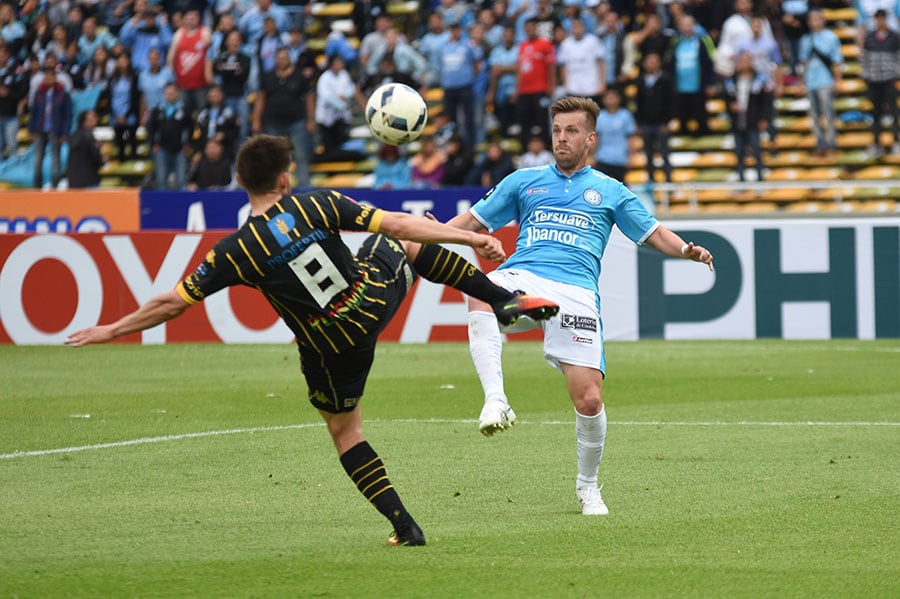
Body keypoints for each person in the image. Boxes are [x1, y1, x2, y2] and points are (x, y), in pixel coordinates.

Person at [65, 133, 559, 547]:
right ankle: (502, 301)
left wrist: (109, 329)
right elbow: (399, 223)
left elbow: (171, 304)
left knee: (346, 432)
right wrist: (469, 238)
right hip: (371, 300)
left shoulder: (234, 252)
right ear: (285, 178)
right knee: (413, 238)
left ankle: (405, 526)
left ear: (240, 181)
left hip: (328, 347)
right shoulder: (313, 203)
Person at [441, 96, 714, 516]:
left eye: (570, 131)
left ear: (590, 138)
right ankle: (496, 398)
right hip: (525, 276)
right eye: (556, 131)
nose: (561, 139)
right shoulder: (523, 181)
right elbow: (471, 224)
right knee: (477, 285)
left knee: (588, 399)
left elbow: (653, 232)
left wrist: (685, 250)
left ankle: (588, 487)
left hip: (576, 292)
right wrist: (424, 234)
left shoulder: (609, 190)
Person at [252, 47, 315, 188]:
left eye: (285, 57)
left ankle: (304, 188)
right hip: (273, 123)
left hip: (296, 123)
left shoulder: (300, 76)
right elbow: (260, 98)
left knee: (300, 156)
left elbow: (310, 98)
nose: (282, 60)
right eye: (279, 58)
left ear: (289, 58)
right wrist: (256, 120)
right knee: (272, 158)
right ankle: (271, 187)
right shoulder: (268, 77)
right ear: (275, 60)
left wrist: (311, 120)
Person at [798, 9, 842, 157]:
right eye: (812, 19)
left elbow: (837, 62)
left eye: (817, 19)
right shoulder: (805, 40)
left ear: (823, 20)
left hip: (825, 81)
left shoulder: (831, 37)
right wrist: (802, 82)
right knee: (814, 116)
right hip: (811, 82)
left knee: (828, 113)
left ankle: (831, 143)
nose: (815, 22)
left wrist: (838, 81)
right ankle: (819, 143)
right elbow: (803, 63)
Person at [861, 9, 900, 157]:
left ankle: (896, 142)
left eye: (883, 19)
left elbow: (898, 57)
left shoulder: (893, 37)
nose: (880, 22)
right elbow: (865, 58)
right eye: (878, 19)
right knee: (876, 114)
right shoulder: (870, 37)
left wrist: (896, 74)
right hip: (874, 81)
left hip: (889, 80)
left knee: (894, 113)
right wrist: (866, 75)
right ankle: (877, 143)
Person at [724, 51, 767, 182]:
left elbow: (765, 102)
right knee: (739, 154)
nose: (744, 63)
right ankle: (741, 181)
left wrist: (763, 118)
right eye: (741, 61)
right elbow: (727, 100)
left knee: (757, 152)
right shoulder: (731, 81)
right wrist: (731, 107)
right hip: (737, 123)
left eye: (746, 60)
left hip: (753, 121)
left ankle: (760, 180)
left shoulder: (758, 80)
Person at [28, 67, 71, 190]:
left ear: (55, 78)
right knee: (37, 159)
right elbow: (34, 112)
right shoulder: (39, 92)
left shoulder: (63, 93)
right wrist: (31, 130)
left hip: (55, 130)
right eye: (46, 77)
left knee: (55, 159)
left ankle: (55, 185)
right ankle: (37, 186)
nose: (48, 79)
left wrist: (65, 133)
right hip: (40, 129)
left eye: (51, 77)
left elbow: (67, 115)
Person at [634, 52, 674, 184]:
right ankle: (651, 180)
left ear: (659, 63)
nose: (651, 64)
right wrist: (639, 123)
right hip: (646, 124)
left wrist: (666, 122)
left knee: (664, 153)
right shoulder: (640, 81)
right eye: (649, 61)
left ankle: (668, 180)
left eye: (654, 61)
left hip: (661, 124)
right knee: (648, 154)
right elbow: (638, 103)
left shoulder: (666, 79)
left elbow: (671, 102)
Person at [147, 82, 193, 189]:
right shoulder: (158, 110)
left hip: (180, 150)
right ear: (164, 94)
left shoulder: (184, 109)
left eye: (173, 93)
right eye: (168, 93)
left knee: (181, 180)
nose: (170, 95)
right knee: (161, 179)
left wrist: (188, 143)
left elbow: (191, 128)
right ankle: (161, 204)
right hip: (162, 149)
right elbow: (151, 129)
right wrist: (153, 144)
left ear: (177, 94)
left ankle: (182, 203)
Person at [593, 87, 636, 183]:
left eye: (613, 97)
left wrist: (631, 157)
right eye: (608, 98)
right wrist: (592, 156)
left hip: (620, 159)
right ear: (603, 100)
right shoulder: (600, 116)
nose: (610, 100)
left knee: (620, 190)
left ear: (619, 99)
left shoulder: (626, 115)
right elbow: (596, 138)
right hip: (602, 158)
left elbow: (631, 138)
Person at [66, 109, 105, 188]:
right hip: (89, 180)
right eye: (93, 116)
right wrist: (102, 159)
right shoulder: (88, 136)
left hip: (74, 181)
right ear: (85, 120)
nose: (96, 119)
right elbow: (95, 156)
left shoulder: (75, 135)